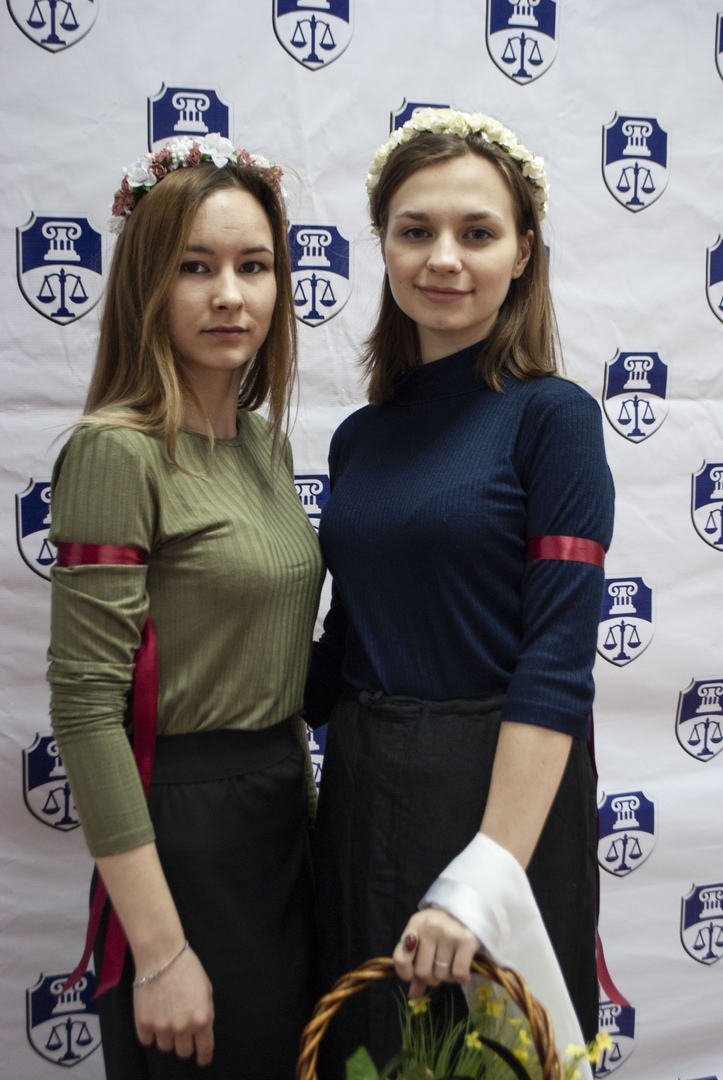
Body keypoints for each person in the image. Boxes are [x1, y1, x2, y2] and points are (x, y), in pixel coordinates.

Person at [305, 108, 614, 1072]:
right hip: (360, 787)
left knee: (486, 1056)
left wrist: (485, 875)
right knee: (366, 1047)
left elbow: (556, 662)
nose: (443, 258)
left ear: (522, 253)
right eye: (416, 230)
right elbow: (344, 644)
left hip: (498, 794)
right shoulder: (360, 437)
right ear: (384, 246)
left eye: (476, 232)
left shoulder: (553, 420)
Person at [48, 134, 323, 1079]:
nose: (230, 295)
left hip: (283, 818)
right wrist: (160, 953)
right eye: (195, 267)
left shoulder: (266, 448)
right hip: (182, 839)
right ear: (146, 284)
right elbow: (87, 710)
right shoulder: (115, 452)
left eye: (254, 266)